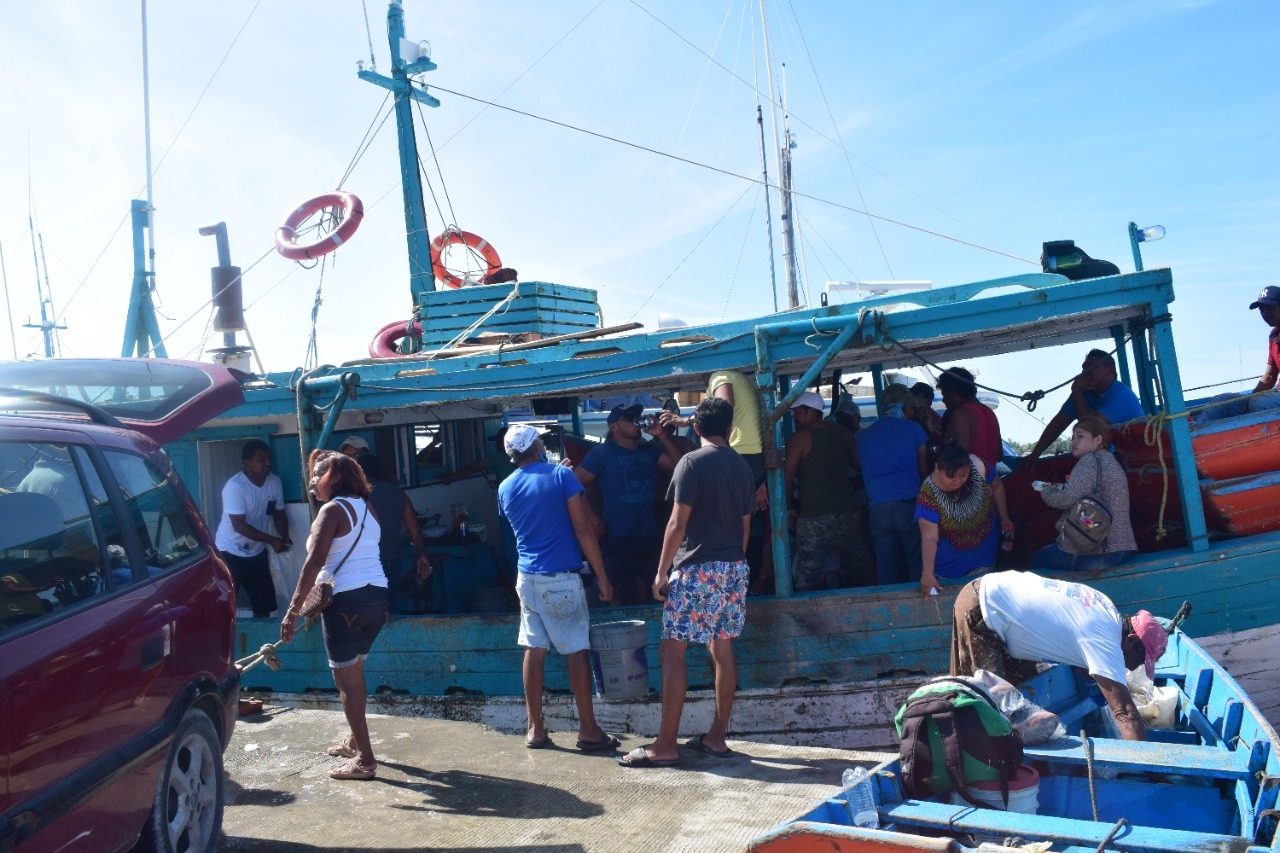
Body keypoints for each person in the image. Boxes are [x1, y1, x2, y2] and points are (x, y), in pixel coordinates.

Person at [618, 397, 754, 768]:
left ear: (696, 427)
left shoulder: (691, 462)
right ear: (728, 427)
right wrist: (732, 565)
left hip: (697, 569)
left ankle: (665, 745)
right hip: (734, 568)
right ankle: (717, 737)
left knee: (671, 651)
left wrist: (661, 571)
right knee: (722, 651)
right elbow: (745, 526)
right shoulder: (742, 467)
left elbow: (677, 523)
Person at [497, 424, 618, 752]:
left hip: (527, 579)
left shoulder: (505, 487)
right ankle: (589, 730)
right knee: (576, 650)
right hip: (561, 579)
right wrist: (602, 575)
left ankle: (535, 728)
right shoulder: (561, 477)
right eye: (540, 440)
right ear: (535, 445)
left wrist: (556, 475)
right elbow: (583, 527)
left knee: (534, 650)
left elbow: (537, 508)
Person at [950, 571, 1168, 741]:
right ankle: (972, 770)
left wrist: (1096, 682)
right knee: (987, 707)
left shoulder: (1107, 610)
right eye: (1139, 661)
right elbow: (1125, 712)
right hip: (984, 608)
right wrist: (1148, 771)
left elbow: (1077, 649)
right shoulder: (1105, 641)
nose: (1132, 668)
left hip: (1003, 604)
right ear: (1130, 640)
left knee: (1022, 696)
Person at [280, 451, 387, 780]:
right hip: (377, 598)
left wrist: (292, 612)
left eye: (317, 475)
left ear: (335, 479)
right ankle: (356, 741)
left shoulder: (332, 510)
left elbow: (314, 565)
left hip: (346, 601)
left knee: (347, 683)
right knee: (357, 675)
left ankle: (365, 761)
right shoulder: (368, 509)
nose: (311, 482)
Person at [575, 403, 688, 605]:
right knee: (617, 596)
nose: (636, 421)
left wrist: (662, 435)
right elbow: (574, 485)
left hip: (651, 539)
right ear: (614, 427)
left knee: (664, 593)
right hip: (617, 539)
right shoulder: (602, 453)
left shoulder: (650, 451)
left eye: (637, 416)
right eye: (628, 418)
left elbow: (683, 468)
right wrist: (592, 518)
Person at [1030, 417, 1138, 570]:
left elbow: (1066, 499)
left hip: (1099, 552)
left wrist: (1045, 489)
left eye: (1080, 436)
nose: (1074, 441)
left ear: (1098, 439)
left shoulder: (1090, 461)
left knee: (1035, 562)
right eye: (1073, 437)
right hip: (1122, 547)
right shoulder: (1109, 460)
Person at [783, 391, 865, 591]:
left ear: (811, 412)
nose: (794, 417)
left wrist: (789, 508)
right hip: (847, 512)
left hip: (813, 518)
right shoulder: (844, 434)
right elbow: (859, 465)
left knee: (806, 577)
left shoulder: (799, 438)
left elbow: (786, 477)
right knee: (861, 566)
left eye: (797, 412)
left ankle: (806, 620)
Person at [916, 443, 1013, 596]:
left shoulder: (978, 465)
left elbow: (997, 486)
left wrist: (1005, 517)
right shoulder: (928, 494)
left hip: (984, 559)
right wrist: (927, 573)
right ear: (937, 468)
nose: (958, 481)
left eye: (963, 475)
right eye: (951, 476)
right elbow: (929, 537)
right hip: (948, 570)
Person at [856, 384, 928, 584]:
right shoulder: (914, 429)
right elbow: (924, 471)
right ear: (903, 407)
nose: (912, 412)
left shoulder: (864, 436)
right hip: (908, 505)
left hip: (877, 508)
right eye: (910, 408)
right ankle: (921, 610)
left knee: (886, 565)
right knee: (916, 562)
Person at [1024, 350, 1145, 464]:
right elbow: (1058, 424)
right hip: (1112, 458)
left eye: (1092, 366)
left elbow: (1090, 427)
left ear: (1109, 371)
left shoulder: (1121, 395)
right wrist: (1034, 456)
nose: (1085, 372)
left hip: (1139, 458)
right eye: (1084, 368)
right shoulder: (1083, 394)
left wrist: (1076, 391)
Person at [214, 440, 291, 617]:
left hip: (257, 552)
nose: (268, 463)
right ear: (247, 463)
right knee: (225, 602)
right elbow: (238, 525)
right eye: (261, 459)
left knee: (264, 604)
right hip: (229, 552)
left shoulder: (274, 482)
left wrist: (284, 537)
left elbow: (279, 514)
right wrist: (272, 540)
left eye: (269, 458)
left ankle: (263, 644)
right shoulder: (235, 486)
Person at [355, 454, 432, 612]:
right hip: (392, 561)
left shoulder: (355, 497)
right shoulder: (398, 494)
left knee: (367, 612)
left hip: (364, 564)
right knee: (391, 608)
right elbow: (415, 530)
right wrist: (422, 555)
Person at [1196, 286, 1280, 423]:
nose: (1265, 313)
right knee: (1222, 402)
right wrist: (1247, 399)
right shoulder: (1274, 336)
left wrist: (1252, 402)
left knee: (1257, 404)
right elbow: (1270, 376)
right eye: (1262, 309)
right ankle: (1191, 439)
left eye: (1270, 307)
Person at [938, 367, 1002, 474]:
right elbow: (999, 455)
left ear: (953, 394)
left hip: (970, 484)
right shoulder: (989, 413)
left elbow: (960, 461)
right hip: (989, 484)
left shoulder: (961, 414)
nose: (943, 400)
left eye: (944, 395)